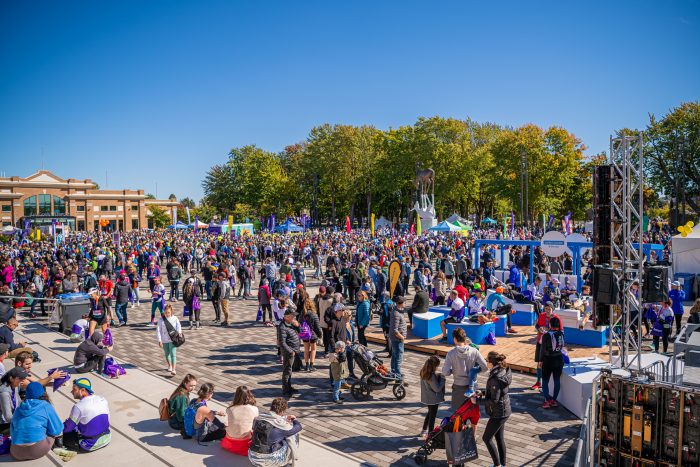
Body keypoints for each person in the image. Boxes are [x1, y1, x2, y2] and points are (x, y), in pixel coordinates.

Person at [9, 382, 63, 461]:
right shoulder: (45, 405)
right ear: (43, 393)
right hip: (37, 450)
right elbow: (57, 430)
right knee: (55, 430)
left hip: (16, 452)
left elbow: (12, 432)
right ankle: (59, 447)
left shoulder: (18, 408)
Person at [56, 378, 111, 453]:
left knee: (63, 435)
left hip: (89, 445)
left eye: (74, 389)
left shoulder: (79, 407)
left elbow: (67, 428)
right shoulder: (102, 399)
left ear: (83, 390)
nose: (71, 391)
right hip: (107, 438)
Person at [443, 328, 487, 411]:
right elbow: (485, 367)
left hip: (458, 386)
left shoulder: (451, 353)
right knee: (471, 412)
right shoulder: (474, 351)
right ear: (464, 338)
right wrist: (474, 370)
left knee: (458, 414)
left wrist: (453, 371)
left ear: (455, 339)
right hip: (472, 386)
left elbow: (445, 372)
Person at [249, 397, 302, 467]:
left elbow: (273, 419)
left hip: (252, 457)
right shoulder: (281, 426)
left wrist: (285, 418)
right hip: (266, 462)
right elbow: (298, 427)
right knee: (293, 436)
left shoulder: (259, 418)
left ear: (271, 407)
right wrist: (294, 419)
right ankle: (287, 461)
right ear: (283, 411)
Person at [482, 351, 512, 467]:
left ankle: (497, 465)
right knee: (499, 438)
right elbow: (496, 392)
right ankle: (502, 465)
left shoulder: (495, 377)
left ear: (491, 362)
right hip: (505, 409)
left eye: (487, 361)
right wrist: (483, 392)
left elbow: (494, 400)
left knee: (486, 438)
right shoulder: (502, 371)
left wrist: (477, 401)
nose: (486, 362)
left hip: (499, 412)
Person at [223, 385, 259, 455]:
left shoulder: (230, 409)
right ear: (248, 395)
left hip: (229, 442)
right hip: (244, 443)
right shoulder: (254, 409)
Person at [531, 303, 559, 391]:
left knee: (547, 364)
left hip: (550, 345)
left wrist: (550, 331)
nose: (547, 311)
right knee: (539, 363)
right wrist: (539, 328)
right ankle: (538, 382)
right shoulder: (541, 315)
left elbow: (560, 330)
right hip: (540, 342)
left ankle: (546, 384)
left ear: (552, 309)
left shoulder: (556, 318)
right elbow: (537, 325)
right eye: (546, 308)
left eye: (549, 309)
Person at [541, 316, 565, 409]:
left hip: (548, 360)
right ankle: (554, 400)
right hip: (559, 359)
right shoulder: (561, 333)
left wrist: (540, 360)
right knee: (557, 380)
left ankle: (547, 400)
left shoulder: (546, 335)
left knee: (545, 381)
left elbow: (543, 350)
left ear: (550, 324)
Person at [419, 355, 445, 439]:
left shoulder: (423, 371)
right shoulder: (431, 376)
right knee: (432, 417)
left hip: (427, 398)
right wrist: (443, 379)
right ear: (434, 366)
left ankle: (423, 430)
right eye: (437, 366)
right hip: (433, 399)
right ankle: (430, 435)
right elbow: (437, 389)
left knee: (429, 413)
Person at [278, 309, 301, 396]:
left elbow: (300, 332)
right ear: (286, 317)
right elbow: (282, 343)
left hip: (294, 351)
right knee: (287, 371)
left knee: (290, 371)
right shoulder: (282, 327)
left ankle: (289, 387)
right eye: (292, 316)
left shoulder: (291, 324)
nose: (294, 317)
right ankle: (286, 390)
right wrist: (291, 351)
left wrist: (298, 326)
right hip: (289, 353)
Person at [0, 367, 29, 433]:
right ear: (11, 379)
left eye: (24, 378)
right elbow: (8, 417)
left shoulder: (14, 386)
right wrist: (23, 420)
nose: (23, 380)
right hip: (3, 424)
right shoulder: (4, 393)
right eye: (20, 378)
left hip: (13, 419)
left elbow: (19, 402)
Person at [157, 304, 182, 375]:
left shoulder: (175, 318)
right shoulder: (161, 320)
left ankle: (174, 369)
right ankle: (170, 365)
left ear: (171, 312)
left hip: (173, 339)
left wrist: (179, 332)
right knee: (167, 354)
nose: (167, 314)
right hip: (164, 340)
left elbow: (179, 326)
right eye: (166, 312)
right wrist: (159, 340)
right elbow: (158, 330)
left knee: (173, 354)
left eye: (168, 312)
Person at [299, 300, 322, 372]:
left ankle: (307, 366)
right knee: (313, 349)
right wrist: (320, 335)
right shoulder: (314, 314)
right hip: (313, 335)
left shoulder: (302, 314)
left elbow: (299, 323)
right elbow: (317, 327)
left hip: (305, 334)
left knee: (306, 350)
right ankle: (311, 366)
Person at [389, 296, 407, 380]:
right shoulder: (396, 314)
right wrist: (402, 337)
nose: (406, 304)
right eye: (404, 302)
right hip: (397, 339)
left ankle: (394, 371)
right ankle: (397, 375)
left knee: (395, 355)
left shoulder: (398, 311)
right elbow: (394, 330)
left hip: (397, 338)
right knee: (398, 357)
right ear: (400, 303)